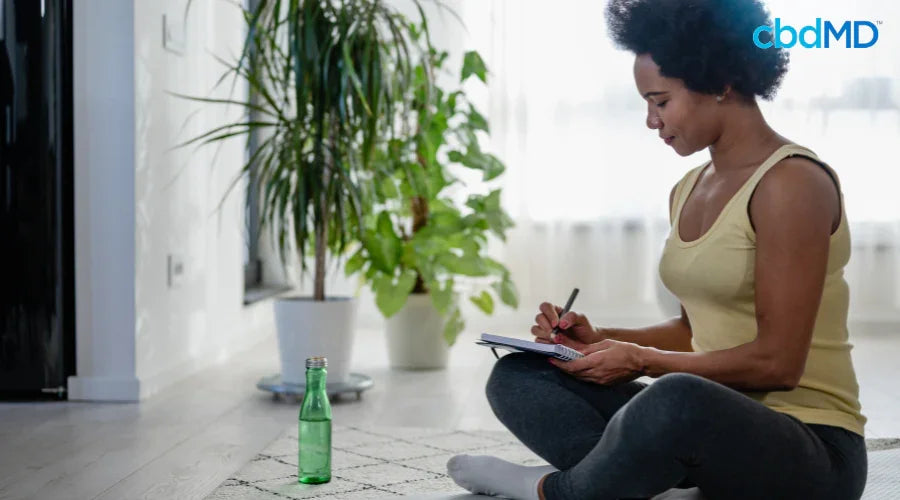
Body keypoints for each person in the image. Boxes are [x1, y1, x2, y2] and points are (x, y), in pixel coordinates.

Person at [445, 0, 868, 498]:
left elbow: (778, 364)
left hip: (812, 449)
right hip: (707, 432)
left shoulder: (791, 183)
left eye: (661, 101)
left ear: (719, 83)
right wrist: (600, 339)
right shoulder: (690, 187)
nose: (651, 120)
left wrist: (641, 360)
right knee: (521, 374)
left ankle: (552, 490)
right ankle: (648, 483)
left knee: (673, 399)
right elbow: (695, 331)